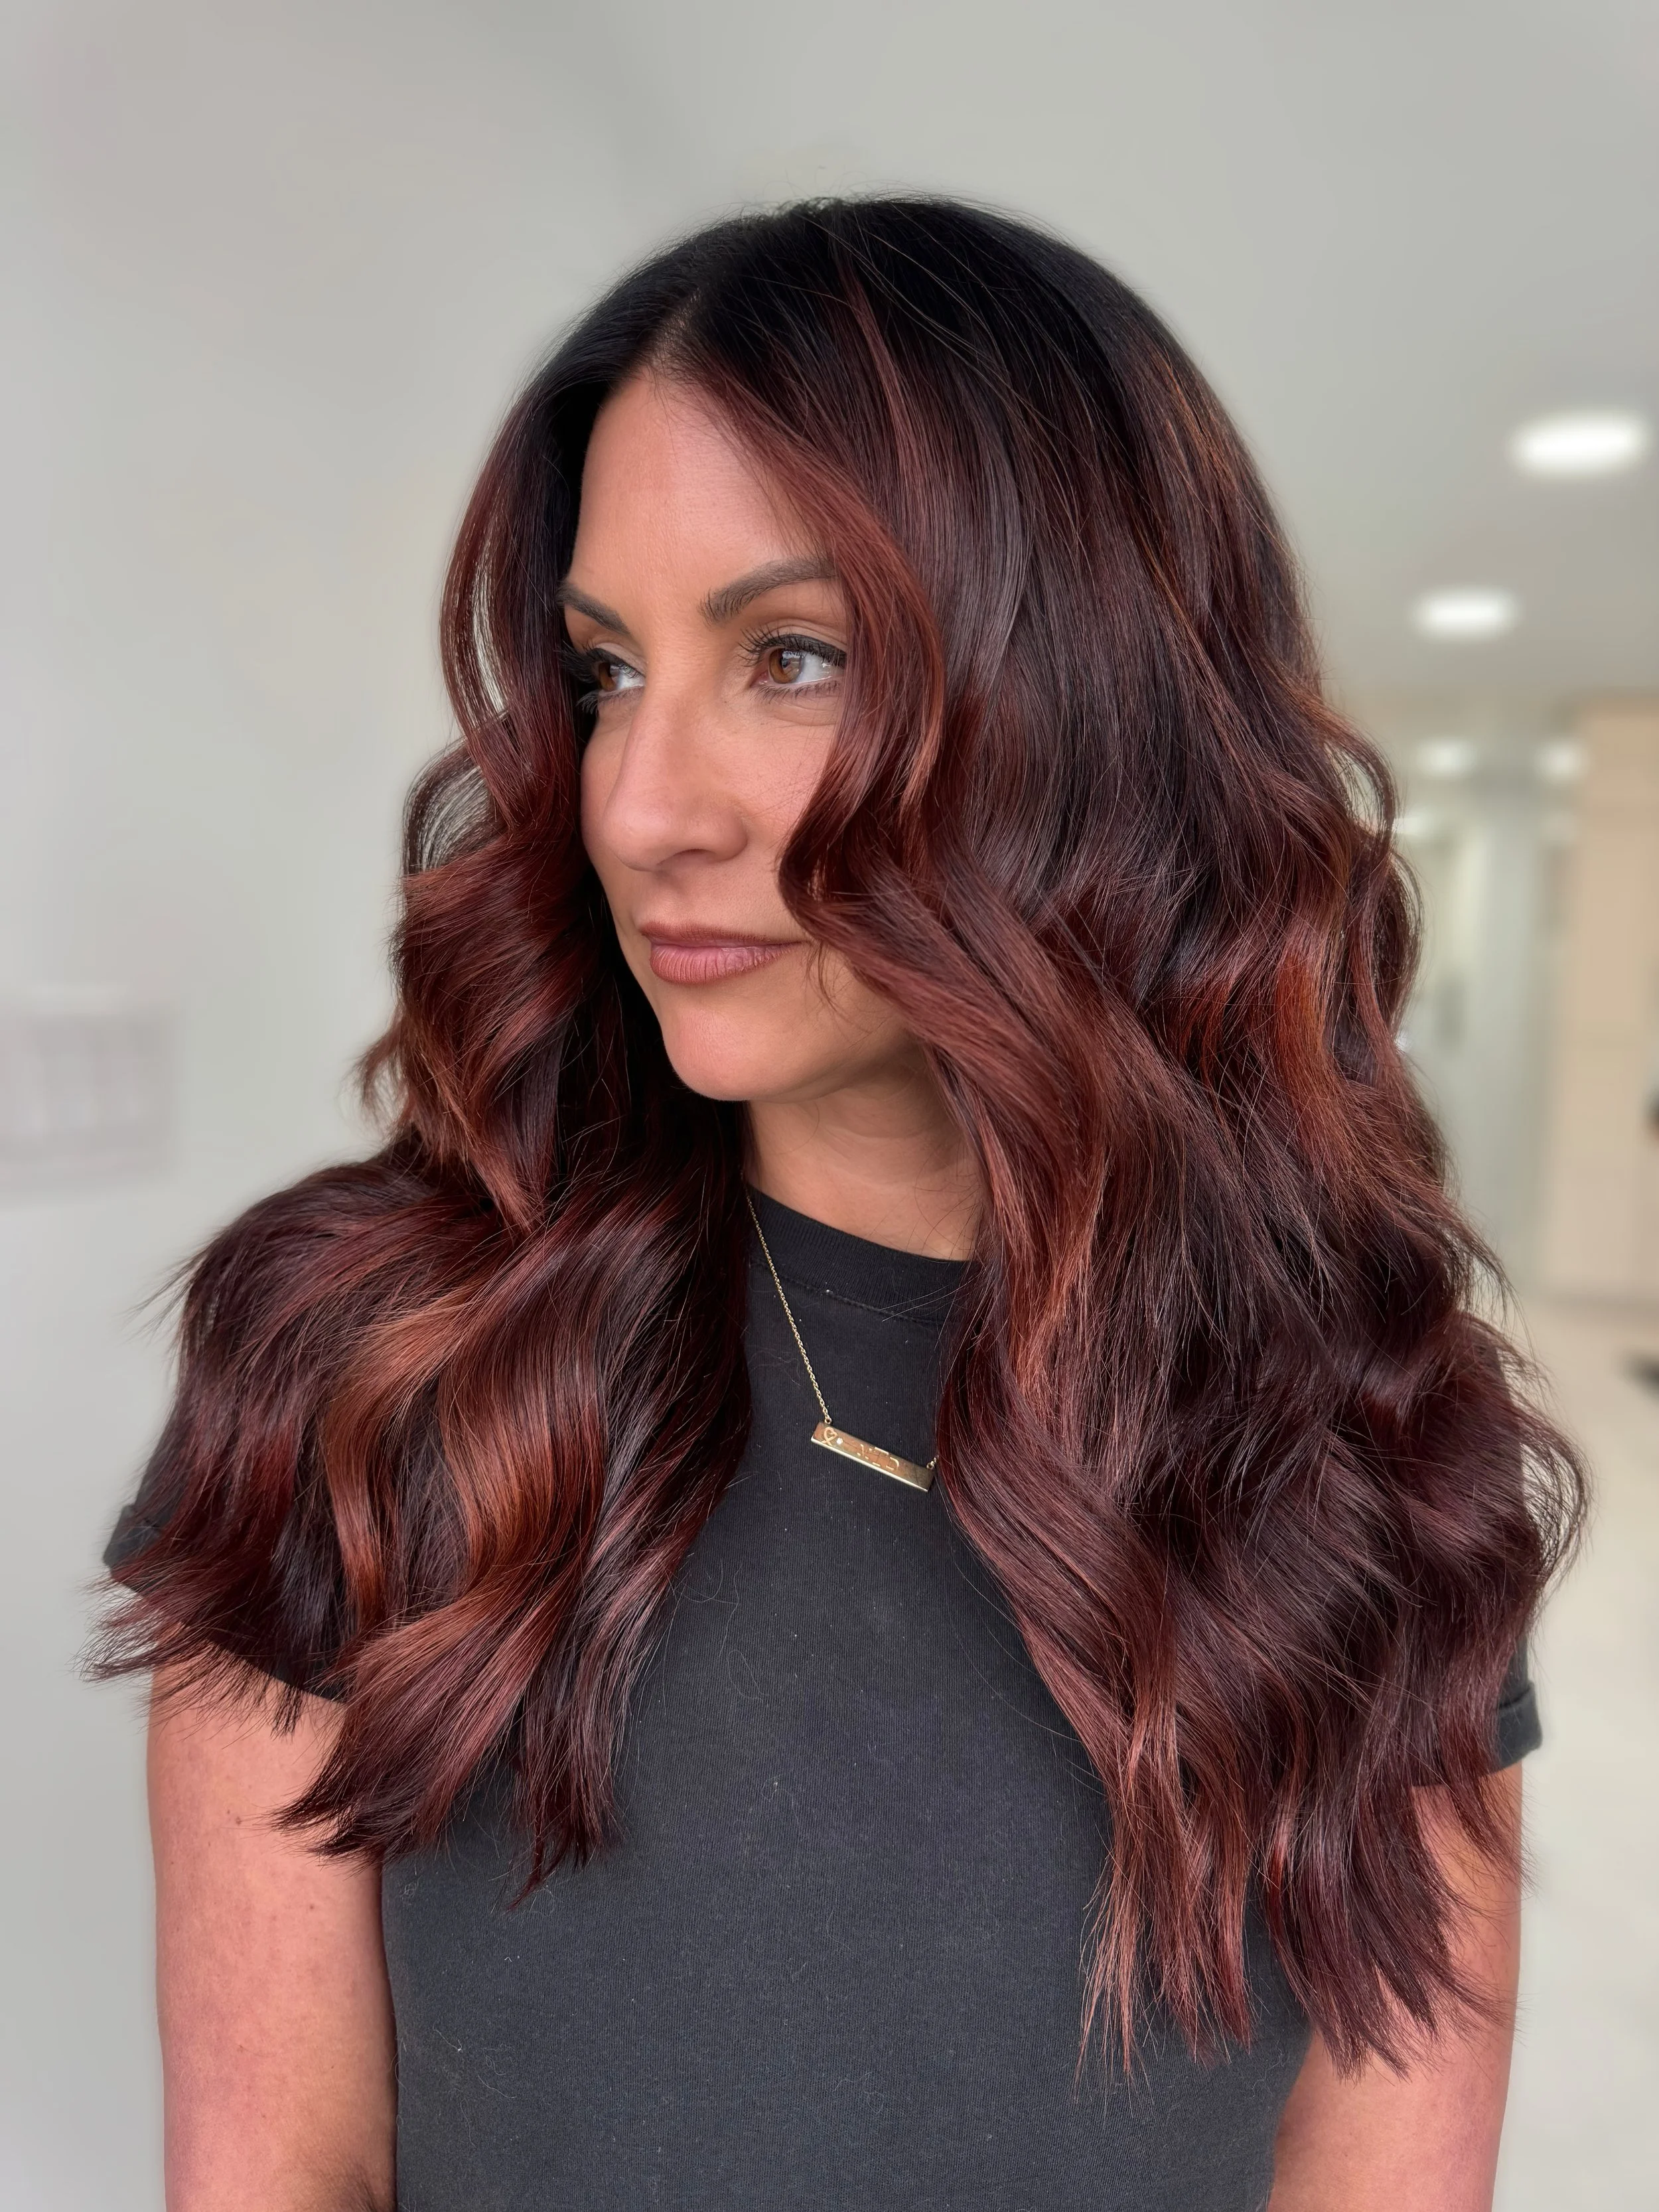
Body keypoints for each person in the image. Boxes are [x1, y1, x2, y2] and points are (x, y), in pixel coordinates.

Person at [99, 196, 1583, 2212]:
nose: (638, 801)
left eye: (787, 657)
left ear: (1094, 711)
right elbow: (273, 2167)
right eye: (606, 670)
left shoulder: (1378, 1435)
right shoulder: (373, 1357)